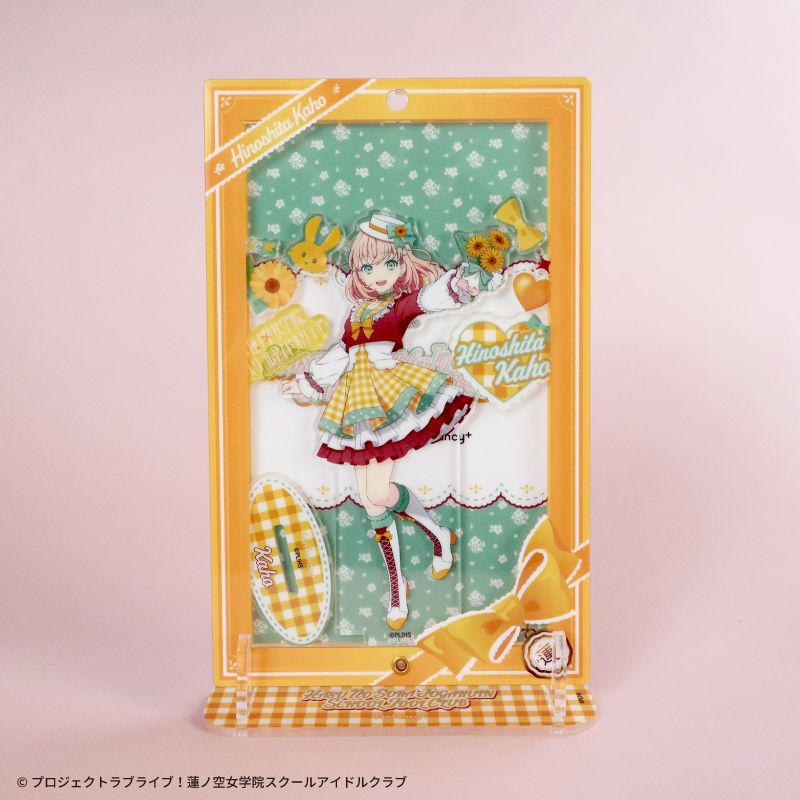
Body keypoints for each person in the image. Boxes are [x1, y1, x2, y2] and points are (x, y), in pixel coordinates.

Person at [282, 213, 501, 629]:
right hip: (354, 400)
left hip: (388, 393)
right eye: (367, 267)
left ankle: (435, 538)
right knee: (372, 503)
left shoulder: (398, 306)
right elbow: (340, 354)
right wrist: (306, 384)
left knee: (378, 494)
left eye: (389, 263)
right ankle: (402, 582)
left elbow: (429, 298)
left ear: (403, 263)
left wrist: (463, 283)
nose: (378, 274)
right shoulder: (354, 314)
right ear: (357, 271)